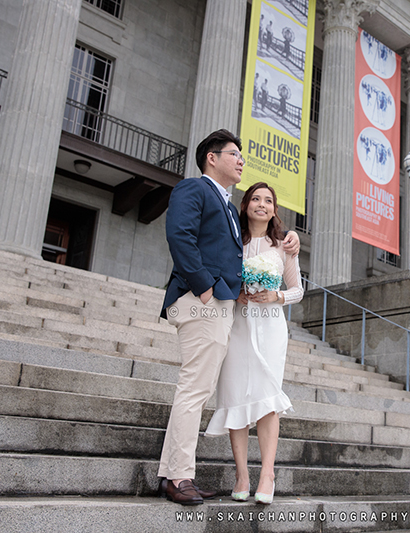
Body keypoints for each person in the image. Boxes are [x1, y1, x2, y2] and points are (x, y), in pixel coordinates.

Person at [157, 130, 299, 505]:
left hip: (227, 309)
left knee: (197, 390)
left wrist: (289, 241)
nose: (240, 161)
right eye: (234, 154)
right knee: (194, 390)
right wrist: (206, 289)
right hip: (201, 303)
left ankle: (174, 473)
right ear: (212, 158)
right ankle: (178, 477)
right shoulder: (194, 189)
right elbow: (180, 237)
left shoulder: (226, 206)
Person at [205, 182, 304, 506]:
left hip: (271, 329)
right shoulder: (233, 243)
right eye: (256, 199)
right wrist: (235, 293)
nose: (262, 204)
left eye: (268, 201)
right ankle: (242, 474)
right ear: (246, 205)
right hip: (238, 326)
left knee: (267, 399)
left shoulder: (283, 247)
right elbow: (218, 277)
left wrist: (276, 295)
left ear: (274, 209)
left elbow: (297, 290)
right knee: (234, 395)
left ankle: (267, 474)